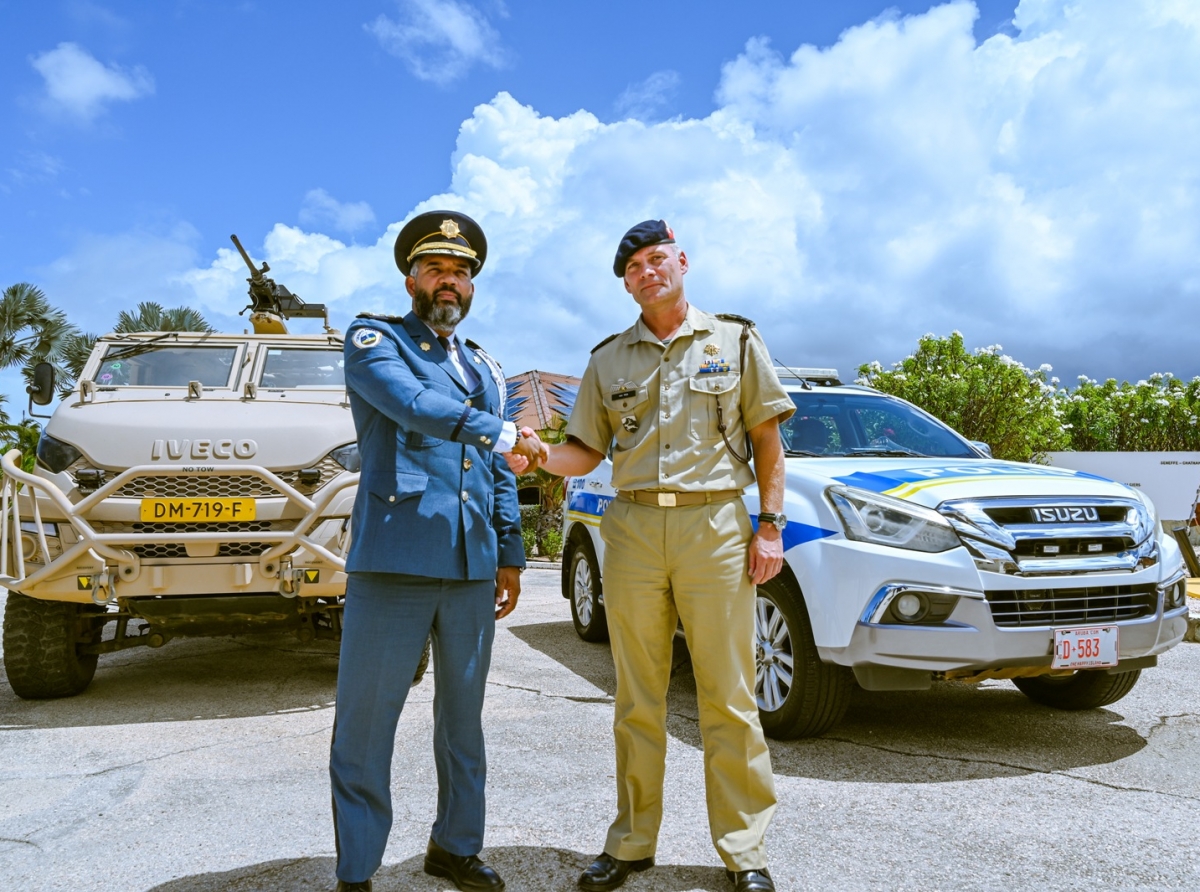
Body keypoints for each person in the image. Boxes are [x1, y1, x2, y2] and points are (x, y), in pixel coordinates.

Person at [526, 220, 794, 892]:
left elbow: (767, 442)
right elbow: (583, 453)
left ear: (681, 261)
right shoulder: (608, 359)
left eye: (655, 259)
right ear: (626, 283)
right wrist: (535, 454)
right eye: (633, 269)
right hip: (635, 530)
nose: (647, 273)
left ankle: (744, 850)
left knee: (729, 696)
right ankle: (632, 841)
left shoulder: (734, 341)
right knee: (636, 697)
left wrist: (770, 527)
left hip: (716, 528)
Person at [329, 210, 542, 892]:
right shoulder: (375, 341)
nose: (449, 282)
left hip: (472, 566)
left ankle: (455, 845)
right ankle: (358, 871)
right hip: (396, 558)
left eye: (461, 272)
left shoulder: (482, 363)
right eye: (437, 270)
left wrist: (509, 551)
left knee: (463, 720)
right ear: (410, 278)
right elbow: (414, 405)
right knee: (367, 723)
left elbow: (496, 469)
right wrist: (506, 431)